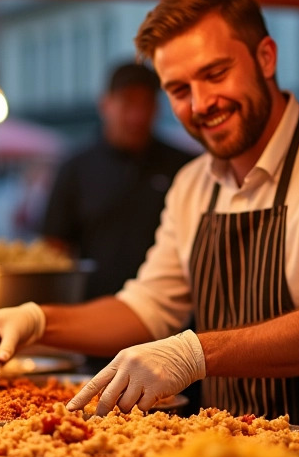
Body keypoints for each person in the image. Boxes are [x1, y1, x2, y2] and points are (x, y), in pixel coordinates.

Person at [0, 0, 299, 457]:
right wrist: (35, 321)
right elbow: (148, 307)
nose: (200, 105)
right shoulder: (193, 183)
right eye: (179, 90)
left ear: (265, 57)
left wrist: (192, 354)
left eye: (215, 73)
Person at [41, 62, 193, 299]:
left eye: (147, 103)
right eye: (128, 102)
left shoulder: (183, 167)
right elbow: (54, 247)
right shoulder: (76, 168)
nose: (137, 115)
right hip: (94, 307)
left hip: (171, 308)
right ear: (105, 104)